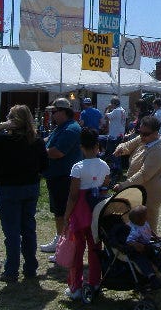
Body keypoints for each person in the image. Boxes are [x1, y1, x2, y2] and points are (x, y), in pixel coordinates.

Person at [0, 105, 48, 282]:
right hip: (30, 187)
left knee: (12, 232)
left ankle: (11, 270)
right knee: (28, 230)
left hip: (9, 188)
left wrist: (2, 125)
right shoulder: (37, 140)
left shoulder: (3, 140)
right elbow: (45, 166)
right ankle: (30, 267)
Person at [62, 127, 110, 300]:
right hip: (96, 210)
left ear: (81, 147)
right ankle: (95, 282)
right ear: (97, 146)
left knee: (77, 249)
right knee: (95, 248)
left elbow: (73, 195)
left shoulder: (77, 167)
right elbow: (105, 187)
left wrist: (67, 215)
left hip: (80, 211)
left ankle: (75, 286)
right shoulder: (104, 165)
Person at [40, 98, 82, 255]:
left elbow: (58, 152)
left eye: (54, 112)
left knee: (64, 212)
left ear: (63, 112)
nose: (51, 115)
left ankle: (65, 245)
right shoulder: (61, 127)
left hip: (64, 178)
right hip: (56, 177)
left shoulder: (70, 129)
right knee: (58, 211)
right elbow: (48, 142)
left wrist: (39, 151)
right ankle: (60, 239)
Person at [113, 116, 161, 232]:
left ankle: (151, 248)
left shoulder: (158, 150)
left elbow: (143, 174)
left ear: (156, 133)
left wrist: (123, 186)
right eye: (140, 132)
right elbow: (128, 145)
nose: (142, 136)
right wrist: (121, 148)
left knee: (148, 226)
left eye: (146, 134)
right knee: (133, 223)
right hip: (138, 189)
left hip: (151, 193)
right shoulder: (144, 138)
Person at [126, 204, 161, 288]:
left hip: (148, 245)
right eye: (146, 215)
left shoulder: (144, 223)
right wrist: (136, 244)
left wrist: (155, 236)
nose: (148, 216)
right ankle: (152, 277)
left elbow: (149, 229)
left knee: (158, 255)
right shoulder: (135, 230)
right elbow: (129, 241)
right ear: (141, 219)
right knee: (144, 262)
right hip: (140, 249)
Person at [104, 97, 127, 176]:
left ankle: (115, 170)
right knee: (118, 153)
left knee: (112, 153)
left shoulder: (116, 111)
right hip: (120, 133)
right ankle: (118, 169)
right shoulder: (122, 110)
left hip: (114, 135)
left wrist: (107, 108)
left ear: (113, 103)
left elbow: (106, 116)